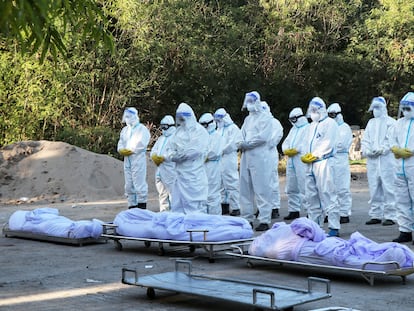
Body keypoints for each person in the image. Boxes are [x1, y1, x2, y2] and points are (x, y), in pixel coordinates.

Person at [301, 97, 340, 237]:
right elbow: (305, 143)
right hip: (310, 165)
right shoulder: (311, 126)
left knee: (328, 193)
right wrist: (305, 154)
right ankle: (314, 226)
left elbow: (328, 143)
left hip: (324, 162)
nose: (313, 113)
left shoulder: (330, 124)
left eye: (315, 110)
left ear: (322, 110)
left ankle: (334, 226)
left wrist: (316, 154)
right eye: (311, 111)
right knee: (311, 197)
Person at [238, 91, 274, 231]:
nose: (249, 105)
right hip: (246, 156)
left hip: (259, 156)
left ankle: (264, 219)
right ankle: (247, 218)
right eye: (248, 102)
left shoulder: (265, 118)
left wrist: (248, 144)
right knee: (245, 189)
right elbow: (241, 134)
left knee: (262, 188)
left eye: (252, 102)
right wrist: (241, 143)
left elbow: (263, 137)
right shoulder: (248, 119)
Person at [165, 102, 209, 214]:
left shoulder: (200, 131)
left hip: (194, 175)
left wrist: (183, 155)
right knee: (178, 205)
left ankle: (197, 230)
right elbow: (168, 149)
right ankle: (180, 229)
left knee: (194, 205)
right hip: (180, 175)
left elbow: (196, 150)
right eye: (180, 119)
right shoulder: (178, 132)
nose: (182, 121)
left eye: (183, 118)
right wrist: (173, 157)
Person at [361, 96, 397, 226]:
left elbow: (392, 139)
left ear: (383, 108)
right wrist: (367, 150)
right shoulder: (371, 123)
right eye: (374, 108)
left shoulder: (391, 122)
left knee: (389, 187)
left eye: (378, 107)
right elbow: (365, 140)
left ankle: (391, 215)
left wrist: (383, 149)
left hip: (387, 160)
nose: (375, 110)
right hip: (373, 161)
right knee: (374, 187)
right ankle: (375, 214)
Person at [391, 92, 414, 243]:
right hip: (400, 166)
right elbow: (390, 139)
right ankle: (404, 231)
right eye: (404, 108)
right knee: (401, 199)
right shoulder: (399, 123)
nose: (405, 111)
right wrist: (395, 149)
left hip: (413, 164)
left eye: (408, 108)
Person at [117, 107, 150, 209]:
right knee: (129, 185)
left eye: (129, 116)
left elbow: (142, 143)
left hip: (137, 159)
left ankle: (141, 206)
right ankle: (132, 206)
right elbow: (121, 142)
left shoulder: (142, 129)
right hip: (127, 160)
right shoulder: (125, 130)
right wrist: (121, 149)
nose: (127, 119)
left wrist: (132, 149)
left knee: (139, 184)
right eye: (126, 117)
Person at [327, 103, 353, 224]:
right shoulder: (328, 127)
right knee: (329, 187)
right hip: (330, 159)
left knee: (342, 187)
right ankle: (331, 212)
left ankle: (344, 212)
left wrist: (328, 147)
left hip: (341, 160)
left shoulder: (344, 128)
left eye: (332, 115)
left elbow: (341, 144)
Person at [281, 107, 309, 220]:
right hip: (291, 160)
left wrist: (297, 149)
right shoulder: (293, 129)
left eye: (294, 119)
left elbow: (306, 143)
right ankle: (294, 210)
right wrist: (286, 149)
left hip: (301, 159)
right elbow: (286, 142)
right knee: (291, 186)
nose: (292, 121)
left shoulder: (307, 128)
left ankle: (309, 210)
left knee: (304, 186)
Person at [214, 108, 243, 216]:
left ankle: (235, 207)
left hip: (229, 158)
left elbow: (234, 143)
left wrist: (221, 150)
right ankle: (224, 205)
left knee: (231, 182)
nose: (218, 122)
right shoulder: (218, 130)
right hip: (219, 159)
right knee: (221, 183)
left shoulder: (233, 128)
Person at [150, 115, 177, 212]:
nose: (163, 129)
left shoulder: (175, 138)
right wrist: (154, 157)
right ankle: (164, 213)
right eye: (162, 127)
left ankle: (174, 214)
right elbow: (154, 150)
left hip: (171, 170)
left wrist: (164, 157)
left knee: (172, 194)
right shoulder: (161, 139)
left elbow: (175, 153)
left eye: (165, 127)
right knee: (162, 193)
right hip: (160, 169)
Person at [261, 101, 283, 219]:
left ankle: (274, 207)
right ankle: (263, 207)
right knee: (260, 182)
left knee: (272, 180)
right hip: (259, 155)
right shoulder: (258, 123)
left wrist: (263, 143)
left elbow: (275, 137)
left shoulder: (274, 123)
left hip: (269, 153)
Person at [199, 113, 223, 215]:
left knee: (212, 195)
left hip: (213, 167)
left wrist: (201, 156)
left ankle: (215, 219)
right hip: (202, 167)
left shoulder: (216, 136)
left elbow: (213, 152)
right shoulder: (202, 137)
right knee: (202, 194)